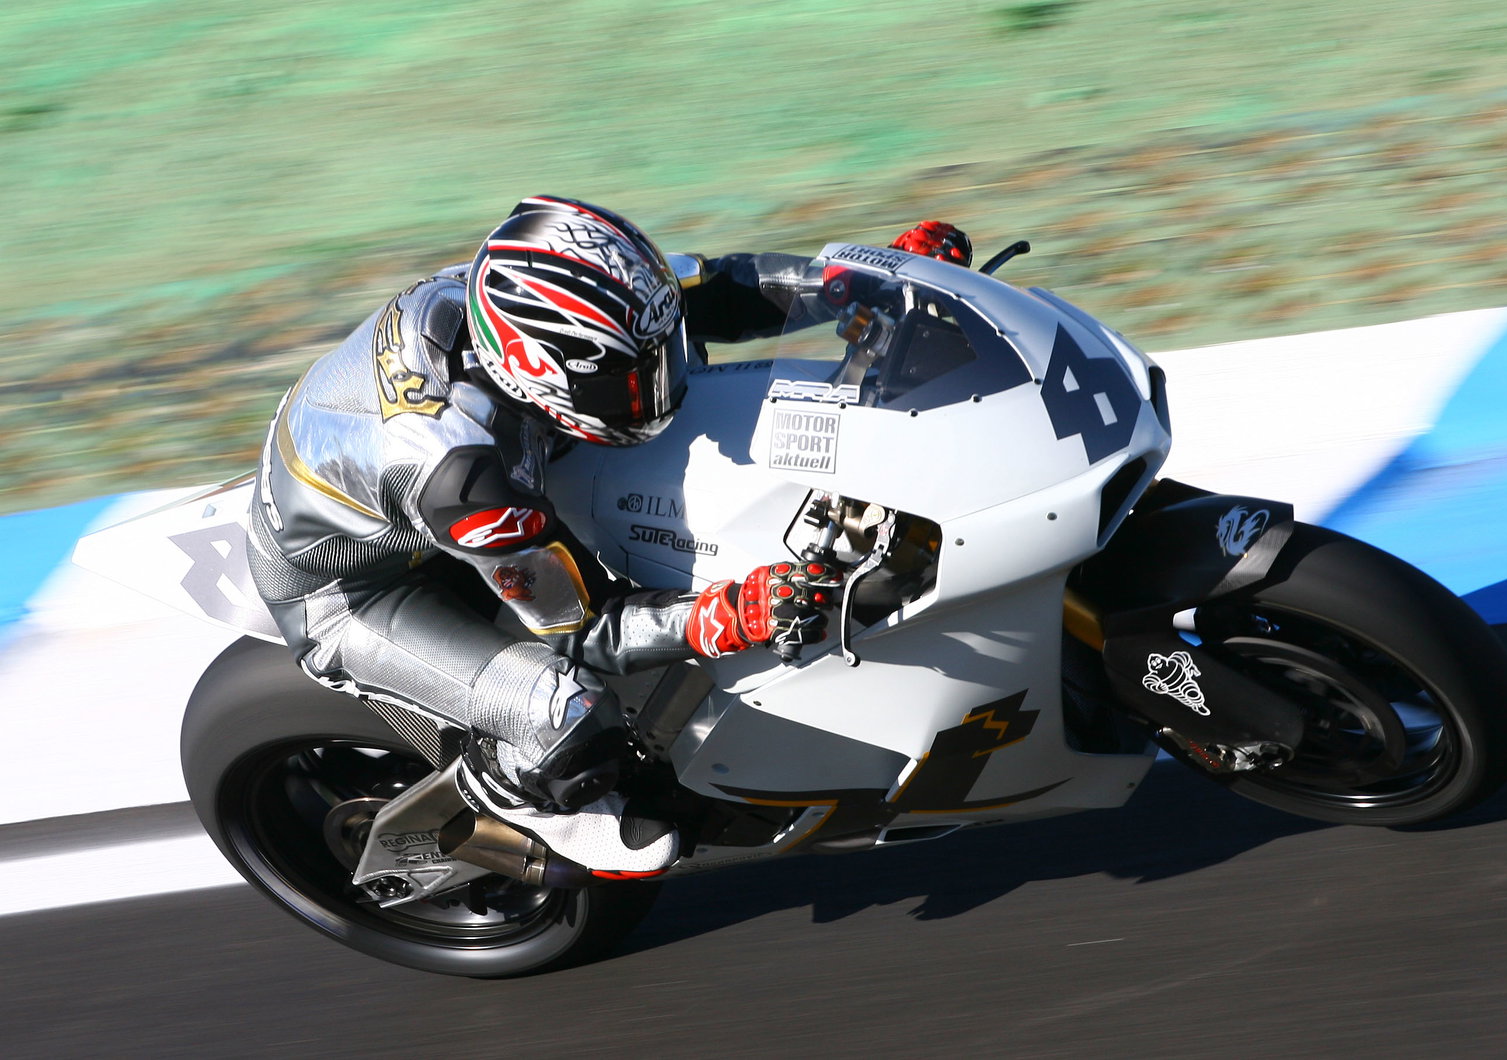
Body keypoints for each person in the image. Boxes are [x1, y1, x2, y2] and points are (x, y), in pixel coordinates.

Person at [245, 196, 972, 878]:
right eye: (636, 382)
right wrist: (729, 616)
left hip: (412, 487)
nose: (669, 383)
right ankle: (513, 793)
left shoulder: (542, 298)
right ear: (538, 376)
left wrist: (856, 285)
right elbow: (585, 629)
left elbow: (716, 288)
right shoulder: (466, 480)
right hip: (352, 593)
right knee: (569, 710)